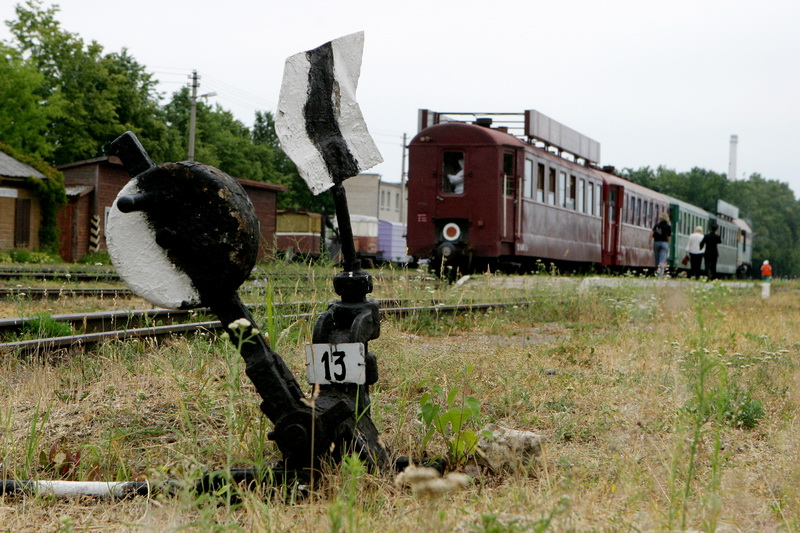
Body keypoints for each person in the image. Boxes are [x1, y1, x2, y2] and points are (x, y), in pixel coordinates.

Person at [651, 212, 671, 277]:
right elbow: (669, 237)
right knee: (662, 259)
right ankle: (660, 275)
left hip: (656, 242)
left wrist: (649, 242)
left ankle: (657, 272)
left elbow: (651, 234)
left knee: (657, 259)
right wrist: (668, 244)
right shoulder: (668, 226)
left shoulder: (657, 225)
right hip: (664, 243)